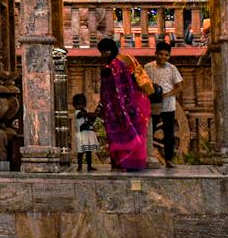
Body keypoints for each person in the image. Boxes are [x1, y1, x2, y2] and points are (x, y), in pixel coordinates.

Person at [97, 37, 154, 172]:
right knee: (138, 132)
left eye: (102, 52)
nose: (101, 56)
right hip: (138, 102)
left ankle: (124, 163)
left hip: (122, 106)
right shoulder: (127, 58)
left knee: (124, 132)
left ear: (108, 51)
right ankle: (135, 163)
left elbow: (115, 90)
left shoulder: (113, 66)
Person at [146, 43, 183, 169]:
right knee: (149, 131)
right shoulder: (148, 67)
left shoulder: (172, 69)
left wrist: (166, 95)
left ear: (169, 56)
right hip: (153, 105)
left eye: (166, 55)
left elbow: (179, 88)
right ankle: (146, 156)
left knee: (169, 133)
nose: (163, 57)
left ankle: (168, 159)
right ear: (155, 54)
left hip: (168, 105)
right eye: (160, 54)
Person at [72, 93, 99, 172]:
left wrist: (94, 115)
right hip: (81, 135)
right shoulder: (77, 112)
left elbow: (90, 119)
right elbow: (84, 114)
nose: (80, 106)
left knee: (88, 152)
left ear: (84, 104)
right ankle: (79, 166)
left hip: (87, 134)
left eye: (82, 104)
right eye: (78, 104)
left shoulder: (85, 111)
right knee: (80, 152)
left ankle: (89, 166)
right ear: (75, 105)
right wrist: (93, 114)